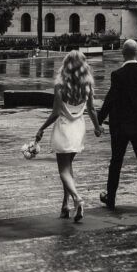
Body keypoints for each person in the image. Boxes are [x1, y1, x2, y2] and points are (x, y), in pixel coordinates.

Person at [34, 50, 102, 222]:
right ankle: (65, 205)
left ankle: (77, 199)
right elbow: (92, 109)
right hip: (78, 129)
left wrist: (41, 128)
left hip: (64, 128)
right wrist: (97, 127)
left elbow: (56, 112)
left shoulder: (60, 85)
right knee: (69, 168)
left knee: (63, 170)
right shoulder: (87, 85)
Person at [99, 39, 137, 212]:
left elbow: (110, 99)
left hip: (120, 126)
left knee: (116, 162)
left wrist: (98, 120)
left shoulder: (117, 75)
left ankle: (111, 198)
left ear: (123, 53)